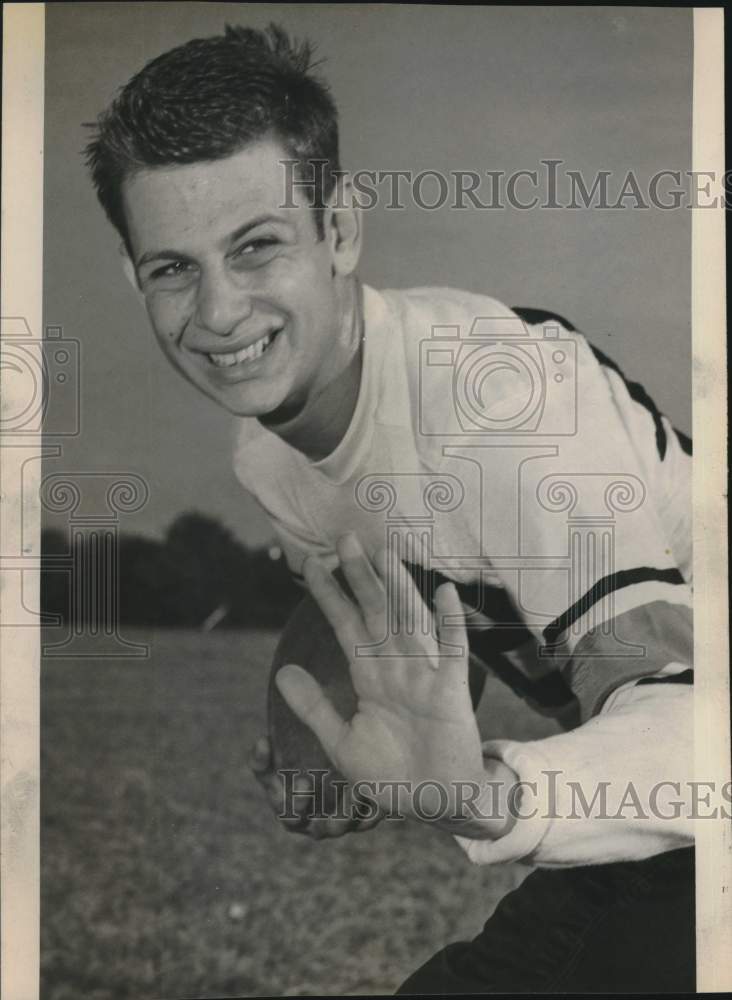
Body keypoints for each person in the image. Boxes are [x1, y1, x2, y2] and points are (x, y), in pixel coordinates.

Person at [85, 23, 696, 992]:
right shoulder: (271, 458)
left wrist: (486, 794)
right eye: (173, 268)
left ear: (342, 230)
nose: (218, 313)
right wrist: (324, 727)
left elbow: (695, 717)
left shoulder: (503, 403)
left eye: (257, 247)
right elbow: (423, 579)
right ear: (134, 276)